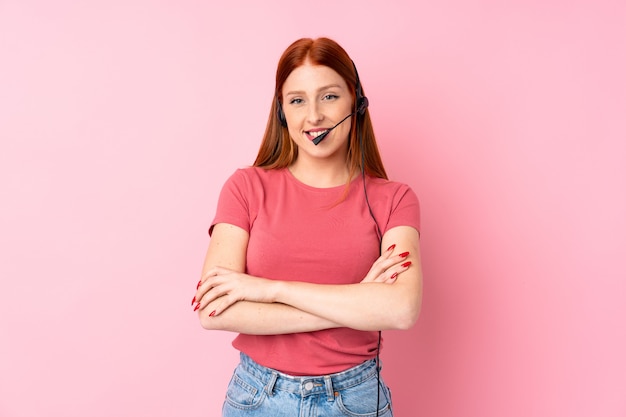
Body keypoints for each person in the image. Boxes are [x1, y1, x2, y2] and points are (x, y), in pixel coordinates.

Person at [192, 37, 422, 417]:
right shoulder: (245, 187)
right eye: (297, 100)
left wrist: (269, 290)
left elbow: (401, 310)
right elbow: (213, 309)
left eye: (329, 97)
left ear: (356, 101)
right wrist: (359, 302)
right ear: (282, 111)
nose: (313, 116)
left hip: (356, 399)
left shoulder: (394, 199)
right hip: (257, 397)